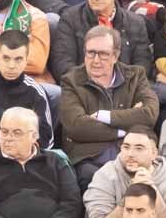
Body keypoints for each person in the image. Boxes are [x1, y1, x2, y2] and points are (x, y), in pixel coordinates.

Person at [59, 25, 159, 189]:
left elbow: (149, 115)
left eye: (103, 54)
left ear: (115, 56)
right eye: (91, 53)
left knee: (151, 177)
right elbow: (76, 126)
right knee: (95, 178)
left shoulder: (135, 76)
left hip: (133, 155)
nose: (96, 60)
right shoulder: (71, 81)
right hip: (90, 158)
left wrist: (103, 116)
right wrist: (126, 127)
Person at [49, 0, 151, 80]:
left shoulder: (135, 23)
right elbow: (62, 64)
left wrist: (120, 87)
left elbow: (142, 65)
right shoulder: (70, 19)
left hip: (125, 90)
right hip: (83, 89)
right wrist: (93, 84)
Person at [84, 127, 166, 218]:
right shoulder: (105, 176)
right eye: (126, 147)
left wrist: (154, 193)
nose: (130, 154)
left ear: (154, 154)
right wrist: (131, 195)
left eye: (139, 148)